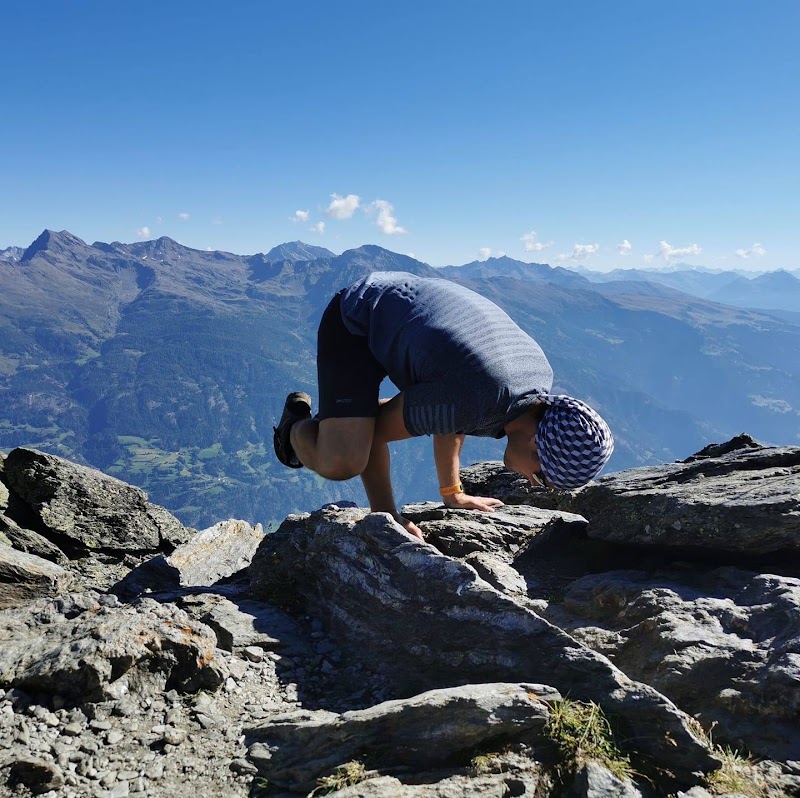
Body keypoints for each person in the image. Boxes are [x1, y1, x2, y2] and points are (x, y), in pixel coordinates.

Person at [274, 271, 614, 540]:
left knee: (366, 429)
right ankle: (295, 429)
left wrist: (452, 492)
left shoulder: (531, 387)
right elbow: (396, 427)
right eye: (541, 478)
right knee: (343, 460)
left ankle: (341, 422)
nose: (531, 483)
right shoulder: (478, 398)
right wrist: (387, 516)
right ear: (537, 448)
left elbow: (453, 413)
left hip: (407, 302)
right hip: (357, 318)